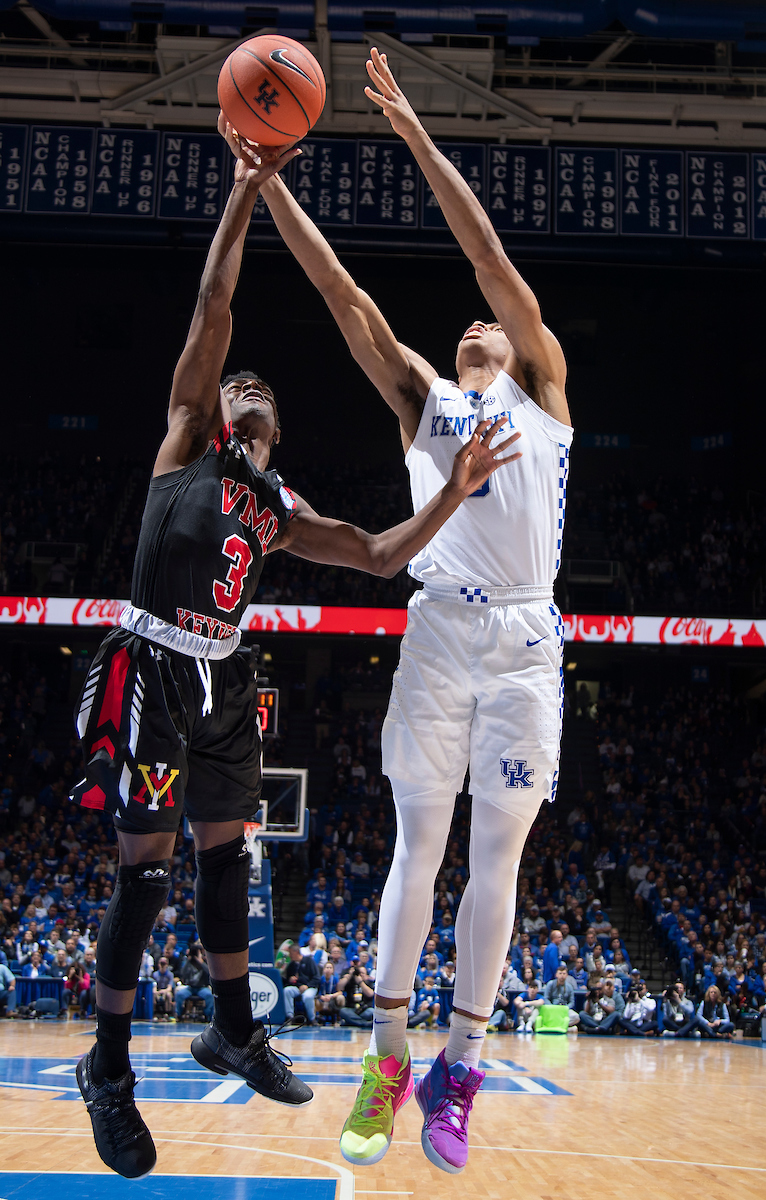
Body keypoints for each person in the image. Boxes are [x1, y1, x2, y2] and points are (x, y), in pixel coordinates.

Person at [72, 129, 516, 1182]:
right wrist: (242, 193)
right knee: (145, 879)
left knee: (229, 856)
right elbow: (213, 310)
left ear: (273, 428)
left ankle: (234, 1027)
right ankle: (107, 1067)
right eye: (239, 384)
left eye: (259, 387)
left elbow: (369, 556)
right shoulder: (187, 435)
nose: (248, 383)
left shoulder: (275, 506)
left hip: (225, 671)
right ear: (222, 409)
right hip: (154, 656)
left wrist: (452, 498)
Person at [242, 45, 571, 1175]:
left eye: (486, 326)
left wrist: (413, 135)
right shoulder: (425, 404)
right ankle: (387, 1061)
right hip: (439, 634)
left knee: (497, 862)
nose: (473, 326)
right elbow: (344, 297)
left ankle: (459, 1074)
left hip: (527, 644)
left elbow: (484, 252)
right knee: (415, 849)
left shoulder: (543, 384)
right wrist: (269, 181)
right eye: (468, 327)